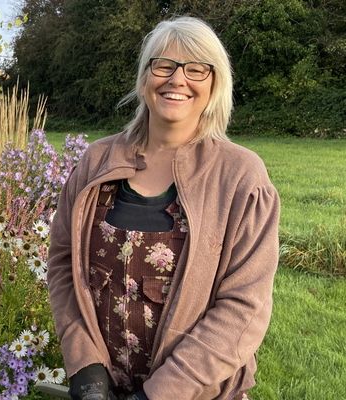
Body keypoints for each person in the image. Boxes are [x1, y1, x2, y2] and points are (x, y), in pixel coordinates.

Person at [46, 16, 280, 400]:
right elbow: (62, 263)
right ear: (144, 78)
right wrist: (86, 368)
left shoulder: (241, 177)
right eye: (164, 65)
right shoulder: (96, 162)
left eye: (196, 69)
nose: (177, 79)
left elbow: (244, 308)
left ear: (215, 84)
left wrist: (161, 392)